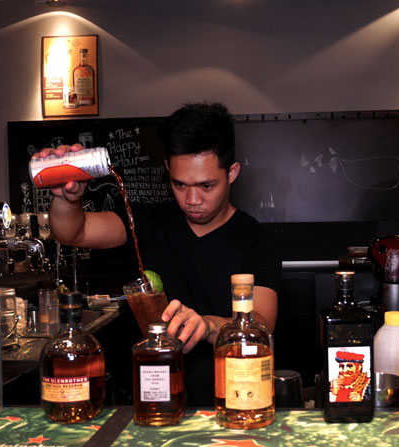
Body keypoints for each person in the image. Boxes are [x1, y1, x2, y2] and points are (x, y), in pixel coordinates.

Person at [39, 102, 281, 405]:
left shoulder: (257, 241)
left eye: (206, 185)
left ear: (231, 173)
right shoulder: (148, 221)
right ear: (167, 169)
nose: (192, 199)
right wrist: (66, 198)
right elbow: (73, 232)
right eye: (179, 184)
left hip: (233, 402)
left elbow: (261, 325)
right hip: (158, 403)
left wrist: (206, 326)